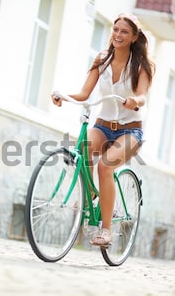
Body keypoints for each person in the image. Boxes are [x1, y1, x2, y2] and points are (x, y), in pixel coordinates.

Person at [52, 13, 155, 246]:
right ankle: (93, 195)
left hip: (130, 131)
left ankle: (106, 231)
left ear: (134, 37)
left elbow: (142, 96)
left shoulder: (141, 65)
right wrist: (64, 96)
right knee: (82, 150)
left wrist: (134, 101)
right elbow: (84, 94)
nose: (118, 34)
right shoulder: (101, 59)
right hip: (103, 127)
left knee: (105, 165)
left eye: (124, 31)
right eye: (115, 29)